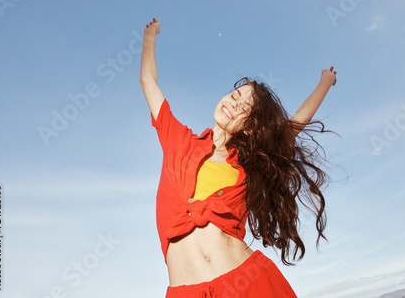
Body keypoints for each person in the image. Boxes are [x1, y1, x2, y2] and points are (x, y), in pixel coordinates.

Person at [140, 17, 338, 298]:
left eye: (246, 107)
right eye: (235, 95)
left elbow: (293, 126)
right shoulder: (177, 139)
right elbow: (148, 81)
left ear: (251, 125)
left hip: (247, 283)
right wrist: (150, 36)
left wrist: (325, 83)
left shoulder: (245, 166)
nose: (235, 104)